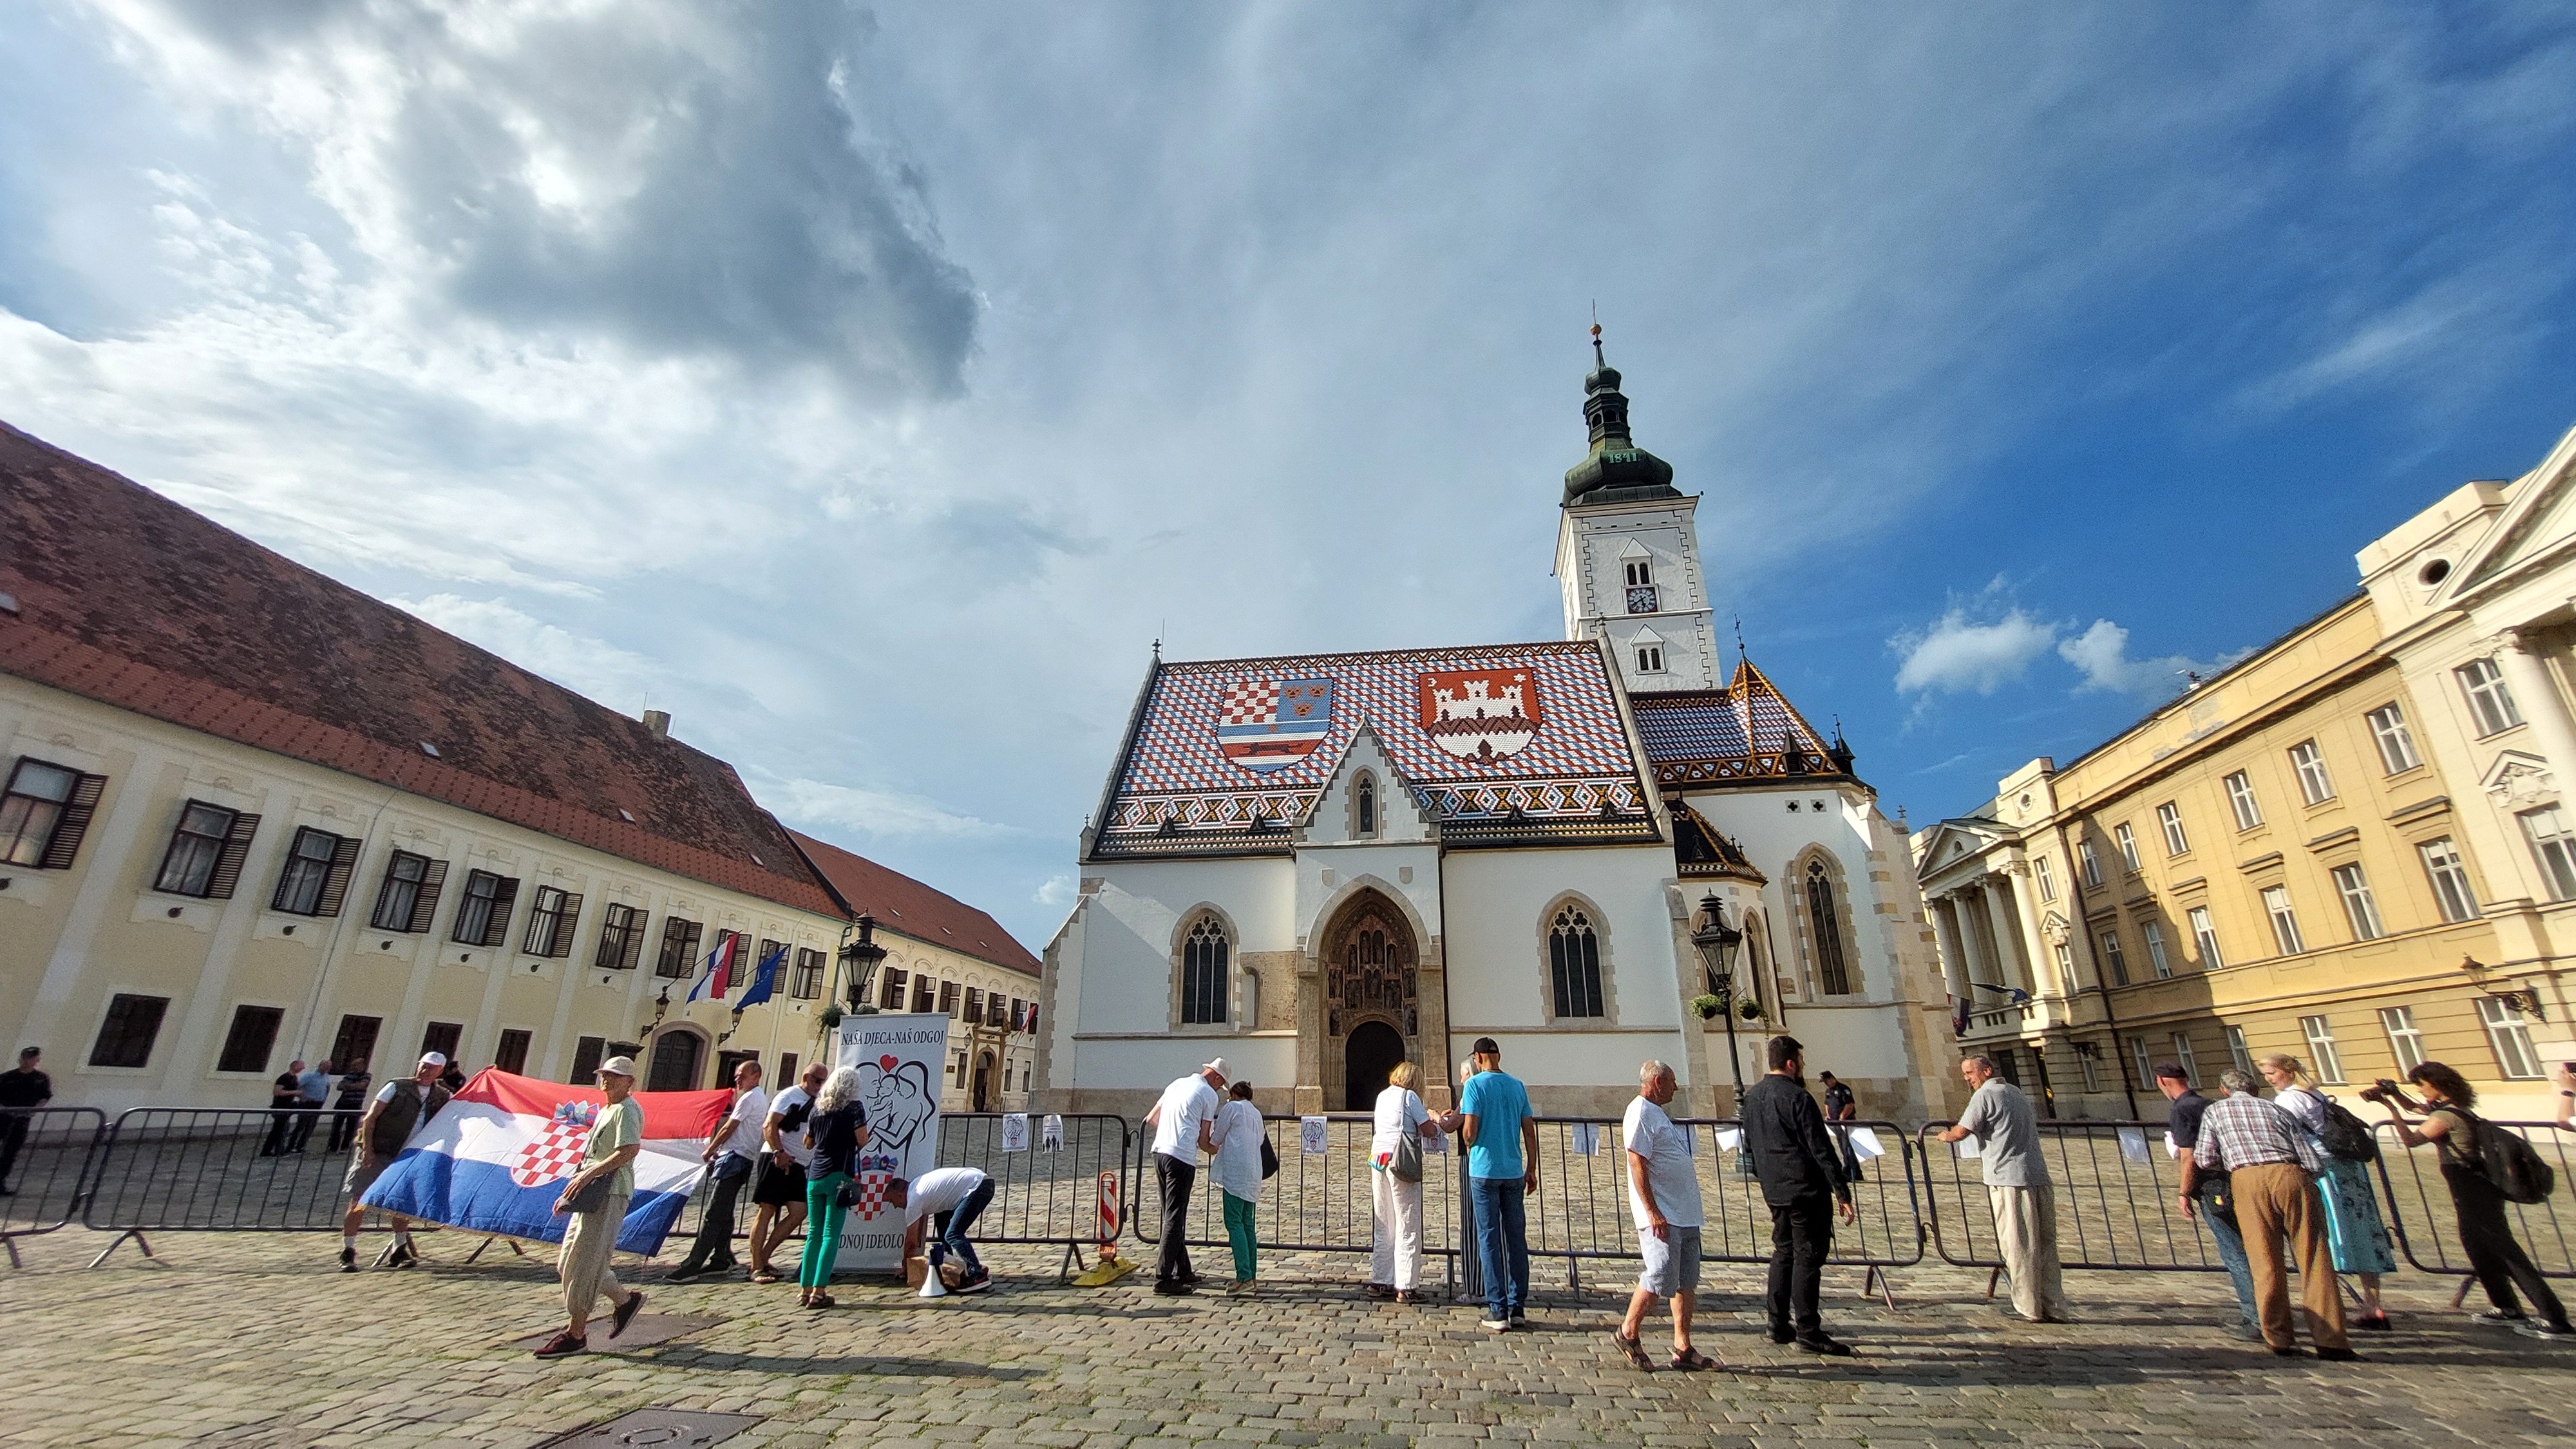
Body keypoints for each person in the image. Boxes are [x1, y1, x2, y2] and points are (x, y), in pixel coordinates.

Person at [2374, 1061, 2572, 1340]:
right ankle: (2506, 1307)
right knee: (2477, 1246)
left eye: (2422, 1085)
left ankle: (2555, 1318)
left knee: (2506, 1251)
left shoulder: (2447, 1116)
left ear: (2437, 1085)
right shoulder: (2455, 1108)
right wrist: (2395, 1094)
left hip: (2473, 1187)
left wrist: (2390, 1109)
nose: (2420, 1090)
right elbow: (2416, 1108)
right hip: (2473, 1186)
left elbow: (2411, 1140)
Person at [2181, 1068, 2353, 1359]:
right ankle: (2332, 1342)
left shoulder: (2216, 1111)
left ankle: (2279, 1338)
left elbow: (2205, 1158)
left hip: (2247, 1178)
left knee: (2264, 1260)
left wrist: (2234, 1162)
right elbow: (2311, 1159)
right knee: (2314, 1258)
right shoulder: (2276, 1109)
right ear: (2255, 1089)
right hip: (2291, 1173)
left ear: (2224, 1091)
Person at [2259, 1052, 2395, 1331]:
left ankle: (2330, 1308)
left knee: (2325, 1235)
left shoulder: (2288, 1100)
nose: (2268, 1079)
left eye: (2272, 1073)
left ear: (2287, 1072)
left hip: (2321, 1171)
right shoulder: (2315, 1094)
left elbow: (2283, 1135)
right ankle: (2373, 1305)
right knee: (2363, 1231)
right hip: (2348, 1167)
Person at [1741, 1036, 1858, 1356]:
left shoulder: (1752, 1097)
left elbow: (1750, 1147)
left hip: (1775, 1189)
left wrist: (1767, 1178)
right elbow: (1820, 1148)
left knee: (1783, 1252)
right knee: (1807, 1258)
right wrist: (1842, 1191)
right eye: (1801, 1062)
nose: (1803, 1067)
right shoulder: (1798, 1097)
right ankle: (1808, 1329)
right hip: (1805, 1189)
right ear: (1791, 1063)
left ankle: (1777, 1322)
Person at [533, 1056, 649, 1358]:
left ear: (629, 1082)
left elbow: (629, 1150)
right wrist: (572, 1191)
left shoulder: (627, 1109)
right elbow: (591, 1155)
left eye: (615, 1076)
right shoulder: (607, 1109)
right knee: (568, 1261)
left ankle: (576, 1333)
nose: (607, 1080)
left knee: (586, 1261)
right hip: (592, 1192)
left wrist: (589, 1176)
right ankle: (625, 1301)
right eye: (605, 1075)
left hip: (610, 1191)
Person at [1938, 1055, 2066, 1323]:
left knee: (2018, 1245)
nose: (1967, 1079)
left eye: (1970, 1072)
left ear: (1986, 1071)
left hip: (2009, 1179)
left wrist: (1945, 1135)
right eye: (1964, 1074)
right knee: (2046, 1246)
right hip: (2037, 1174)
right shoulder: (2016, 1092)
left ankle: (2028, 1307)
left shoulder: (1985, 1095)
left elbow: (1961, 1132)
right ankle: (2054, 1305)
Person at [1610, 1060, 1719, 1370]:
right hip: (1664, 1214)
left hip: (1684, 1212)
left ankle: (1682, 1347)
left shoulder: (1657, 1113)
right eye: (1672, 1081)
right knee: (1659, 1275)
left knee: (1686, 1281)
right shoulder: (1640, 1112)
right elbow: (1637, 1162)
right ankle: (1628, 1331)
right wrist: (1653, 1211)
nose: (1676, 1087)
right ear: (1658, 1082)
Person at [2153, 1063, 2261, 1341]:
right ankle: (2270, 1313)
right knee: (2255, 1248)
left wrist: (2183, 1193)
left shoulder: (2181, 1109)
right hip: (2241, 1178)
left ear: (2161, 1081)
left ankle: (2256, 1318)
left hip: (2213, 1184)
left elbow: (2188, 1156)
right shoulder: (2207, 1103)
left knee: (2234, 1252)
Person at [339, 1052, 451, 1271]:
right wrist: (368, 1150)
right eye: (423, 1066)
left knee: (401, 1204)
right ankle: (348, 1250)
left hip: (407, 1156)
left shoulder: (441, 1095)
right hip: (379, 1151)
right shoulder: (397, 1087)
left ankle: (399, 1249)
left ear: (440, 1071)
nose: (425, 1071)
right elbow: (371, 1118)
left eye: (431, 1068)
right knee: (359, 1200)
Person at [1458, 1036, 1539, 1332]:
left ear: (1478, 1058)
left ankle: (1498, 1309)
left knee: (1489, 1238)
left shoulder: (1474, 1085)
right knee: (1516, 1239)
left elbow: (1469, 1131)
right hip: (1513, 1171)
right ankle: (1518, 1307)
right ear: (1499, 1056)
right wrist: (1531, 1168)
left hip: (1484, 1171)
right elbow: (1529, 1131)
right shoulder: (1517, 1085)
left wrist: (1469, 1145)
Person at [668, 1059, 766, 1282]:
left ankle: (693, 1264)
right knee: (725, 1210)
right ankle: (721, 1257)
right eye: (737, 1076)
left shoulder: (749, 1098)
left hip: (734, 1159)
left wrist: (710, 1149)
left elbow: (729, 1127)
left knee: (714, 1213)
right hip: (742, 1159)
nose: (737, 1079)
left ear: (755, 1076)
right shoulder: (758, 1097)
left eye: (742, 1076)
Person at [1142, 1058, 1226, 1296]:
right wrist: (1217, 1149)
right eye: (1220, 1085)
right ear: (1216, 1078)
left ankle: (1184, 1270)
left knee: (1170, 1214)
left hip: (1160, 1152)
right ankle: (1163, 1278)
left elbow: (1152, 1118)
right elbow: (1204, 1139)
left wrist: (1172, 1131)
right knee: (1174, 1217)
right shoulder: (1209, 1094)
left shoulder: (1176, 1084)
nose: (1219, 1089)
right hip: (1181, 1157)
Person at [1367, 1060, 1443, 1303]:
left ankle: (1381, 1280)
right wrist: (1434, 1118)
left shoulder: (1382, 1096)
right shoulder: (1410, 1097)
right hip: (1400, 1161)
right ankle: (1407, 1286)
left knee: (1384, 1223)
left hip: (1378, 1159)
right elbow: (1428, 1130)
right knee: (1408, 1222)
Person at [797, 1065, 871, 1310]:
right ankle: (819, 1291)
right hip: (839, 1174)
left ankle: (805, 1289)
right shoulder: (854, 1108)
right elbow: (862, 1140)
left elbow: (808, 1143)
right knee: (831, 1234)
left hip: (815, 1176)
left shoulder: (817, 1108)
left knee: (814, 1234)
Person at [748, 1061, 828, 1284]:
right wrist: (779, 1152)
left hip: (798, 1164)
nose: (820, 1085)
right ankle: (756, 1267)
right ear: (806, 1077)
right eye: (817, 1081)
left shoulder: (820, 1100)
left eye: (823, 1082)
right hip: (775, 1159)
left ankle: (764, 1256)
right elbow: (769, 1125)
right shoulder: (788, 1096)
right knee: (767, 1210)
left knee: (799, 1212)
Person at [893, 1166, 997, 1293]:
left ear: (899, 1195)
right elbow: (917, 1234)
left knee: (953, 1234)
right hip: (981, 1181)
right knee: (942, 1224)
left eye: (892, 1201)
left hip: (978, 1186)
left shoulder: (914, 1199)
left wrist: (906, 1268)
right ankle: (951, 1268)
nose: (894, 1206)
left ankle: (978, 1275)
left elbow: (911, 1242)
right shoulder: (918, 1187)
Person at [1208, 1079, 1265, 1294]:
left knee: (1234, 1223)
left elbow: (1217, 1137)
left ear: (1234, 1094)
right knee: (1247, 1224)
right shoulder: (1256, 1113)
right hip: (1253, 1172)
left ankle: (1244, 1276)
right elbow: (1261, 1139)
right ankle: (1251, 1275)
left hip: (1236, 1173)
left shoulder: (1232, 1108)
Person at [0, 1046, 54, 1196]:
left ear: (37, 1060)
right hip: (3, 1117)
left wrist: (35, 1110)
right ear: (21, 1059)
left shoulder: (41, 1079)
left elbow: (45, 1097)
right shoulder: (7, 1077)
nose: (28, 1061)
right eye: (26, 1057)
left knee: (10, 1152)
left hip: (22, 1120)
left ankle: (0, 1183)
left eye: (33, 1058)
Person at [1819, 1071, 1864, 1183]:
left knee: (1848, 1147)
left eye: (1826, 1081)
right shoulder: (1828, 1091)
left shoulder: (1843, 1089)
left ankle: (1853, 1171)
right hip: (1835, 1124)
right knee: (1843, 1147)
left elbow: (1850, 1104)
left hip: (1845, 1123)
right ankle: (1850, 1169)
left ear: (1832, 1078)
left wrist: (1842, 1117)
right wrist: (1829, 1116)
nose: (1826, 1084)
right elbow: (1827, 1104)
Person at [285, 1059, 332, 1153]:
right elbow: (297, 1086)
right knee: (301, 1125)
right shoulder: (310, 1076)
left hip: (318, 1104)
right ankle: (291, 1146)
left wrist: (324, 1099)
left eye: (329, 1067)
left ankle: (301, 1146)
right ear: (320, 1066)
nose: (327, 1069)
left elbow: (327, 1088)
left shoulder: (327, 1077)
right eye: (325, 1067)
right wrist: (303, 1097)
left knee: (311, 1126)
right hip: (308, 1103)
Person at [261, 1061, 307, 1156]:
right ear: (294, 1066)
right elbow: (277, 1092)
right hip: (280, 1107)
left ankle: (269, 1150)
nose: (303, 1068)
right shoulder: (284, 1078)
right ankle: (276, 1151)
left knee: (279, 1130)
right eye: (301, 1066)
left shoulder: (294, 1078)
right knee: (280, 1130)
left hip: (287, 1107)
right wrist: (294, 1092)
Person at [327, 1059, 372, 1153]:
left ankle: (345, 1147)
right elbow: (339, 1086)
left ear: (362, 1066)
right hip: (343, 1104)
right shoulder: (349, 1075)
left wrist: (348, 1086)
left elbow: (362, 1085)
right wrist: (353, 1086)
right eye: (353, 1065)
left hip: (355, 1105)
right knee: (336, 1126)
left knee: (351, 1128)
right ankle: (333, 1147)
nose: (353, 1068)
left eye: (356, 1065)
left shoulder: (366, 1076)